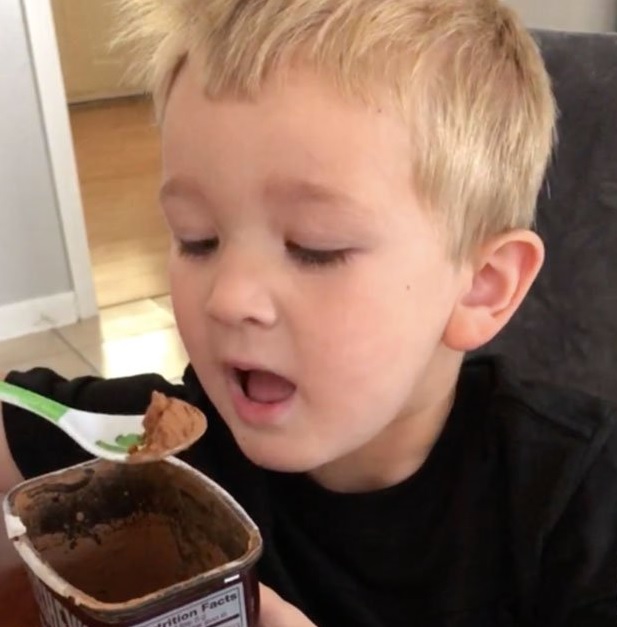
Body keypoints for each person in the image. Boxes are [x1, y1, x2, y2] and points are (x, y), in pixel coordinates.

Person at [1, 1, 616, 625]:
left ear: (481, 287)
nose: (228, 297)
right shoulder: (169, 447)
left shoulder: (578, 493)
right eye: (197, 238)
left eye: (314, 247)